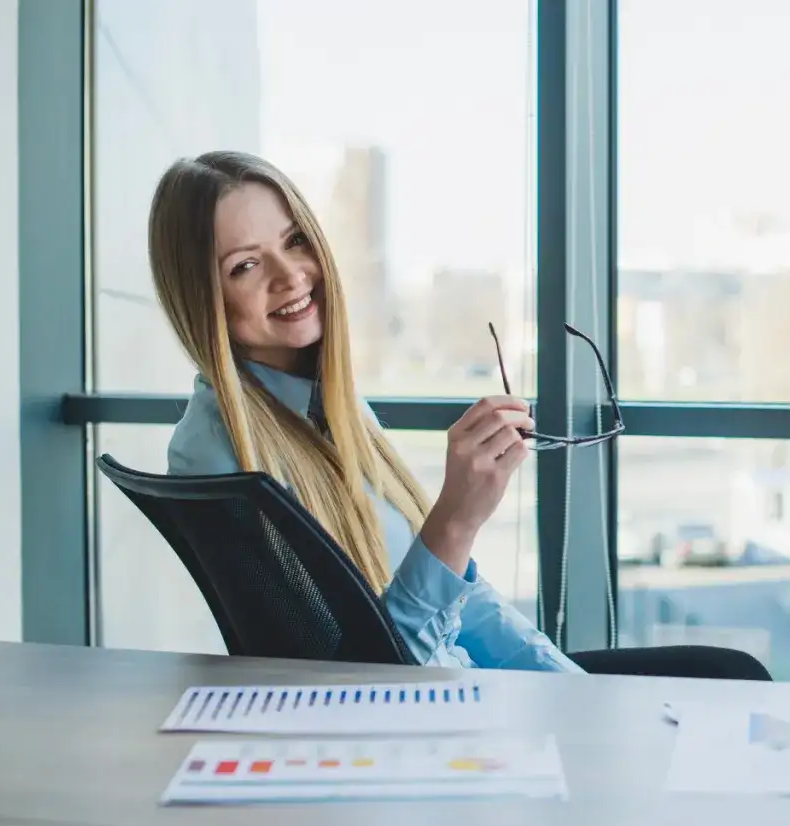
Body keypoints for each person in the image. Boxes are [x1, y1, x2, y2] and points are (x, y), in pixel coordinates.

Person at [148, 150, 582, 673]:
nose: (290, 275)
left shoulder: (335, 405)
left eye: (295, 241)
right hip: (425, 713)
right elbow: (357, 678)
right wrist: (455, 522)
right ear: (202, 297)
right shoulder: (213, 456)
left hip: (468, 692)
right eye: (245, 266)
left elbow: (468, 609)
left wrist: (573, 688)